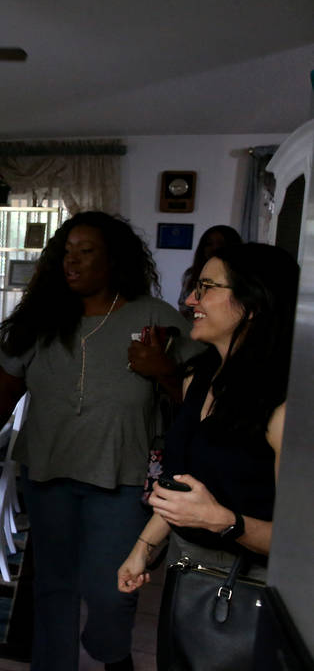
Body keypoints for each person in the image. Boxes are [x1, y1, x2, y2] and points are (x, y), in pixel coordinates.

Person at [0, 211, 203, 671]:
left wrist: (165, 373)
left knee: (110, 590)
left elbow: (202, 404)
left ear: (113, 260)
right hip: (48, 472)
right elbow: (6, 388)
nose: (71, 262)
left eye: (86, 251)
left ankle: (112, 654)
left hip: (121, 473)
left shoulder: (155, 318)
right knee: (53, 587)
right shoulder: (40, 319)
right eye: (66, 253)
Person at [118, 244, 297, 655]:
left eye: (206, 288)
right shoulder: (198, 379)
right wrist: (142, 549)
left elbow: (301, 541)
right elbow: (182, 490)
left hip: (252, 591)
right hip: (189, 574)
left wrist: (223, 522)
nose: (189, 300)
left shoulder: (284, 408)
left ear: (252, 303)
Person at [177, 225, 242, 320]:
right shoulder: (192, 274)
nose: (214, 248)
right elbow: (184, 307)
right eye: (208, 244)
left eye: (221, 243)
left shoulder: (240, 276)